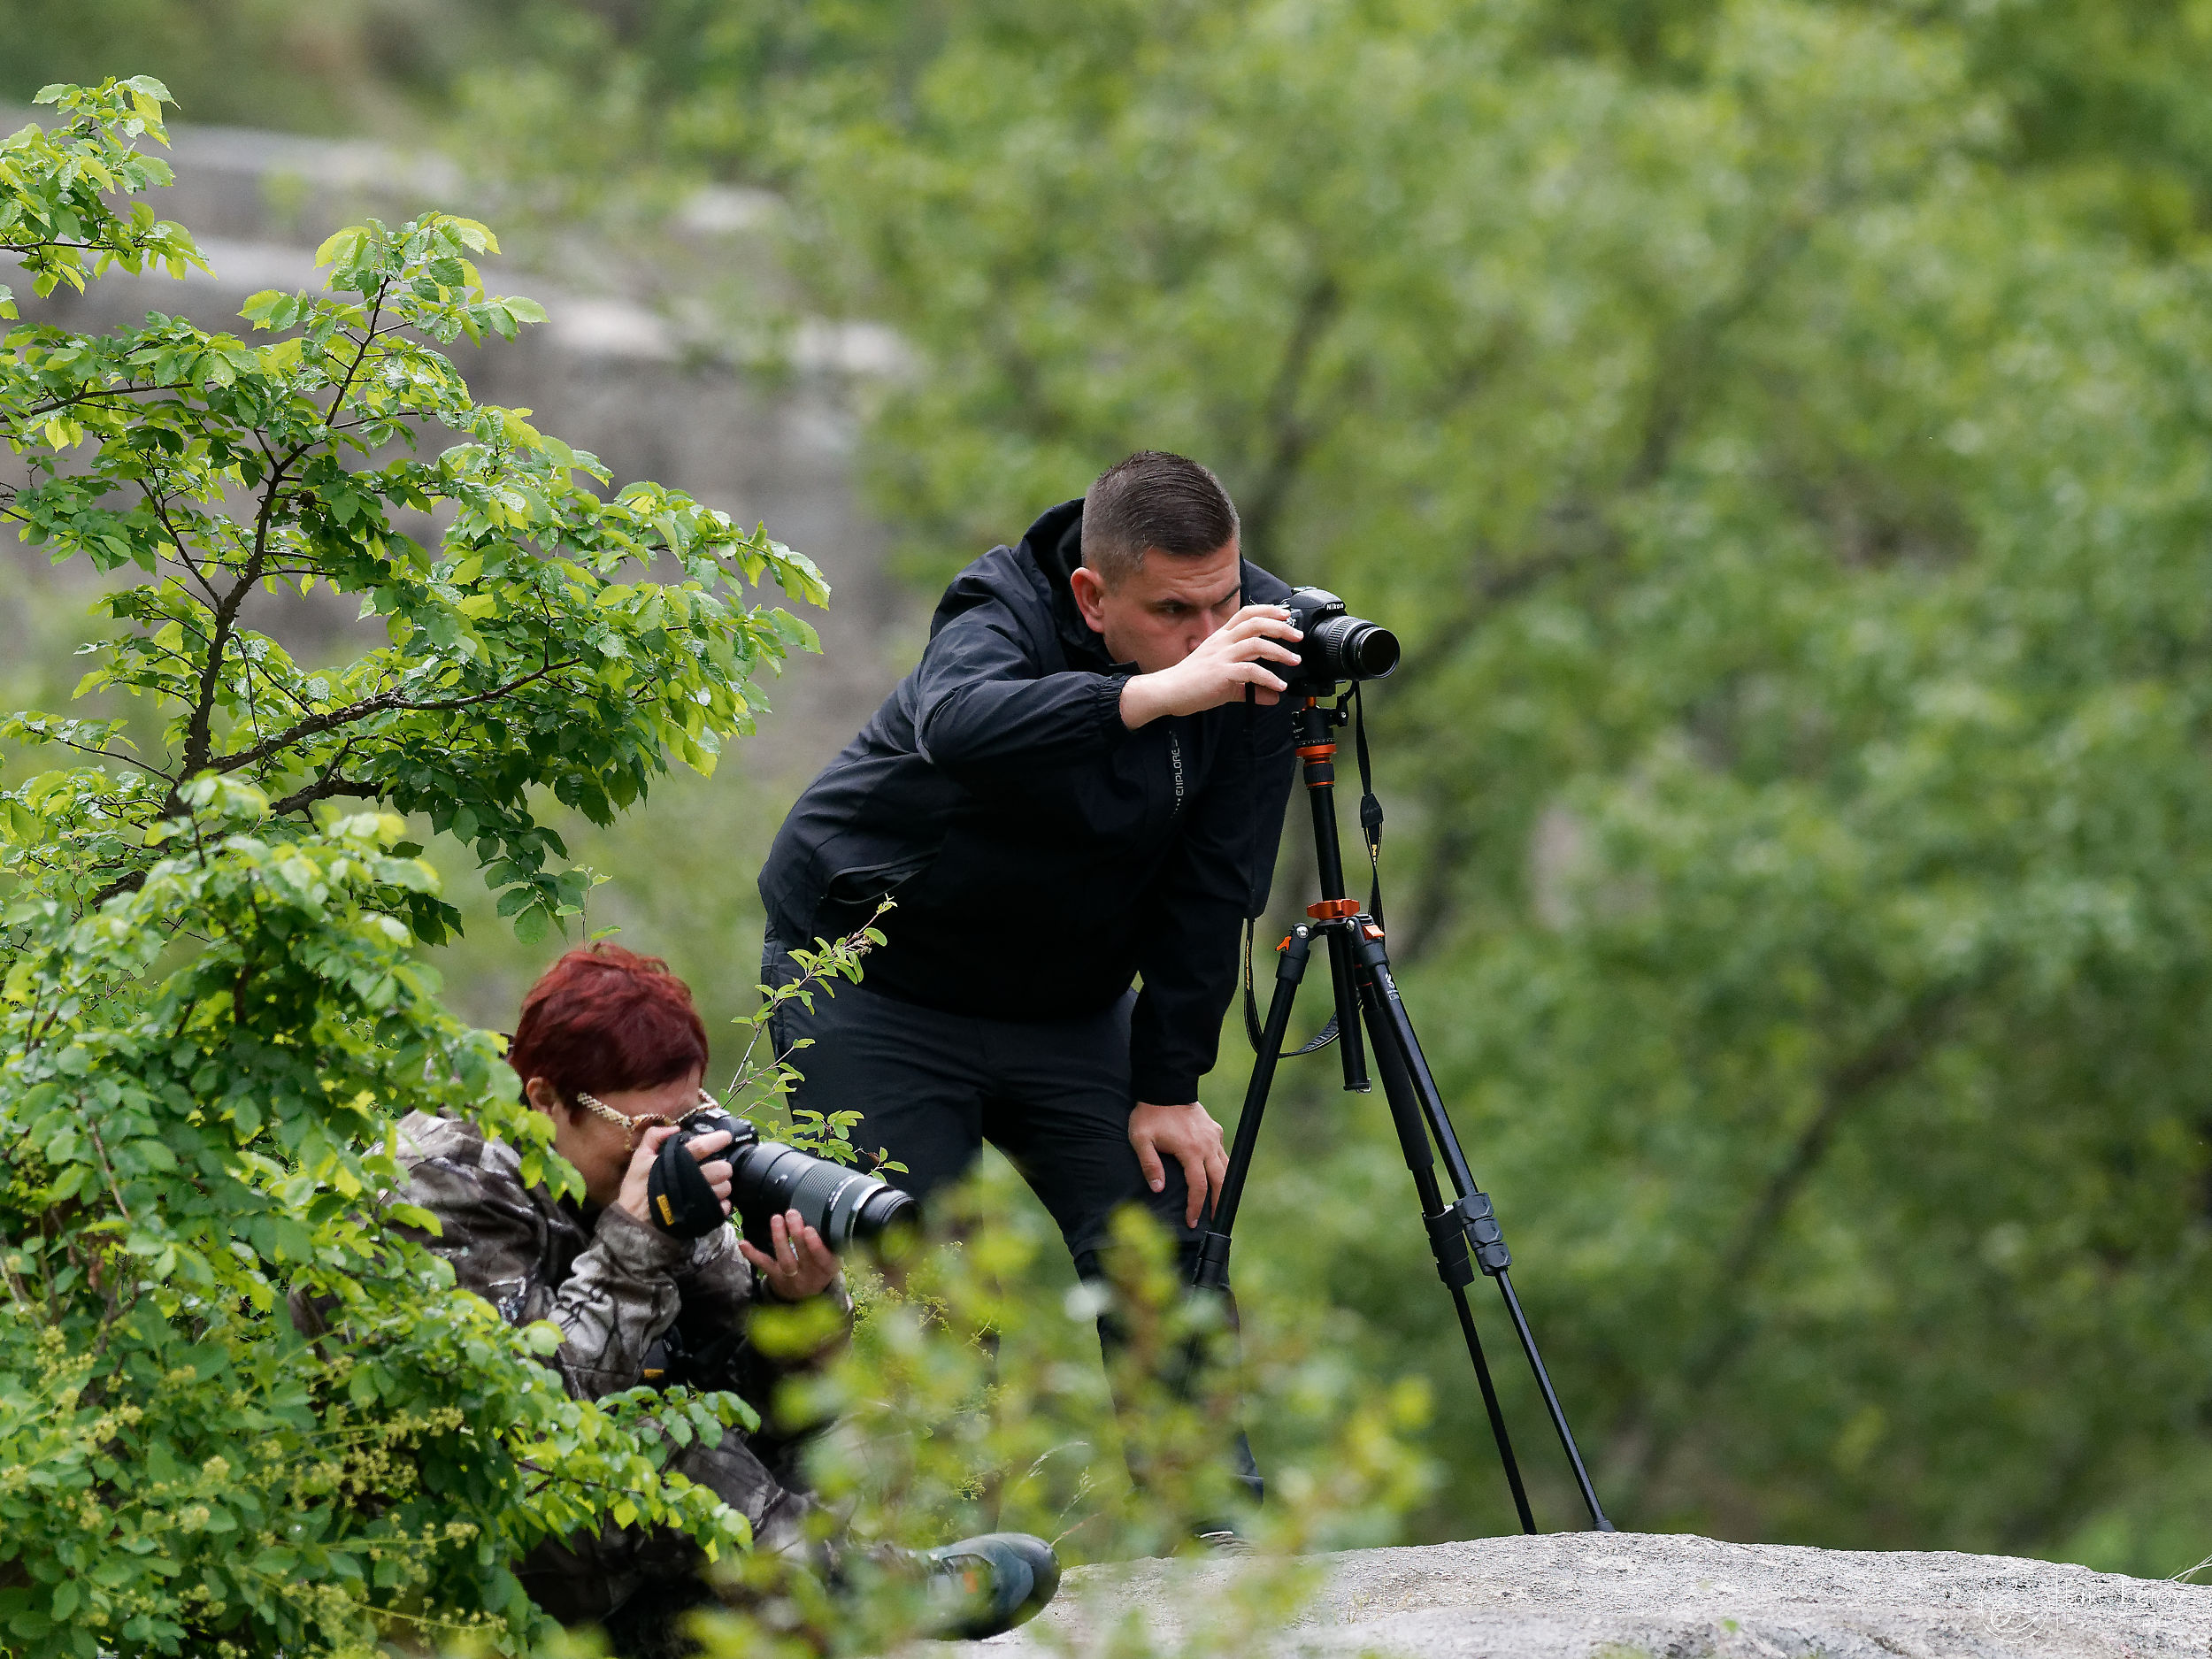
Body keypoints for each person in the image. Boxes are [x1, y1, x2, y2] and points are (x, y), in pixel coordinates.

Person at [757, 450, 1303, 1511]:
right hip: (874, 979)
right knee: (927, 1270)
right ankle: (947, 1548)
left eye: (1223, 601)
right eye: (1172, 612)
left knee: (1163, 1223)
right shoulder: (1000, 604)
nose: (1208, 637)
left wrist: (1171, 1082)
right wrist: (1149, 696)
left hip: (1063, 1002)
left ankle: (1208, 1525)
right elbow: (958, 723)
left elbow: (1214, 882)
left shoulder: (1256, 644)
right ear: (1091, 597)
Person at [383, 943, 1059, 1653]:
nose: (668, 1148)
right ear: (545, 1097)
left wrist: (795, 1304)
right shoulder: (439, 1182)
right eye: (644, 1132)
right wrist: (638, 1239)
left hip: (606, 1562)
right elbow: (525, 1414)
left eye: (686, 1118)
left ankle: (738, 1617)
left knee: (838, 1410)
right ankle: (853, 1591)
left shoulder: (646, 1155)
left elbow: (749, 1383)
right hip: (460, 1554)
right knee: (656, 1435)